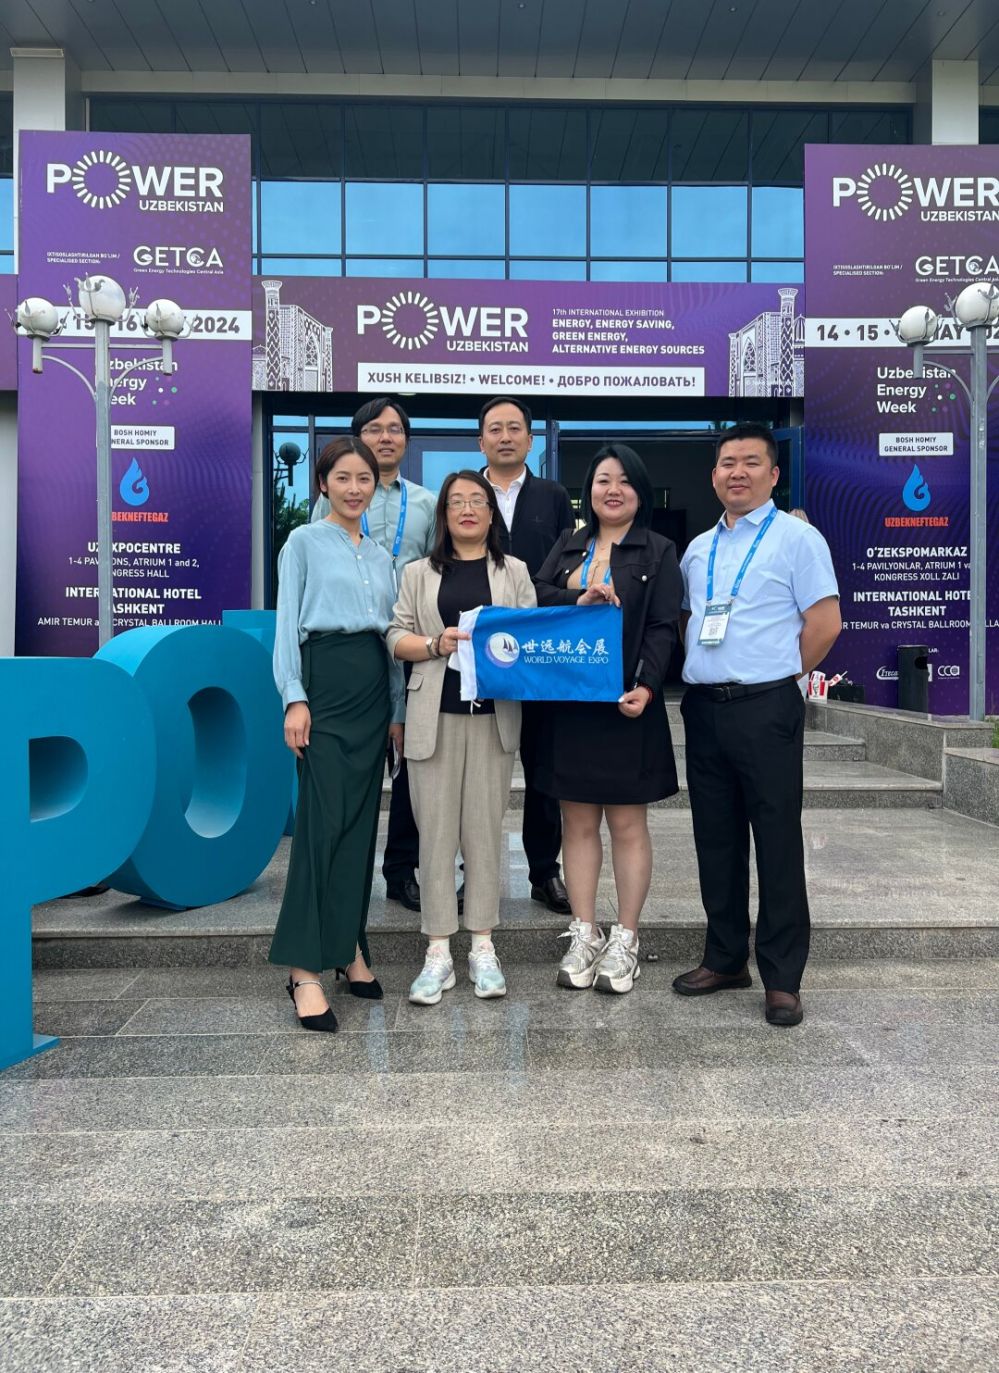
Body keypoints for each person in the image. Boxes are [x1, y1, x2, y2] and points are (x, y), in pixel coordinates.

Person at [673, 422, 841, 1027]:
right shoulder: (698, 548)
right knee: (715, 838)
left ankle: (782, 977)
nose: (736, 472)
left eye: (749, 462)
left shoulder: (798, 539)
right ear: (714, 475)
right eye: (727, 463)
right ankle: (725, 959)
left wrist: (777, 678)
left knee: (776, 839)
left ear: (773, 474)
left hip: (766, 707)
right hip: (704, 708)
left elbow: (825, 622)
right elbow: (690, 620)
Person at [534, 444, 682, 994]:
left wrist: (646, 685)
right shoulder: (568, 545)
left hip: (627, 704)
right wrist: (578, 596)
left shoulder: (658, 550)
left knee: (626, 824)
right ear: (588, 492)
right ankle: (584, 932)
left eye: (624, 481)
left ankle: (626, 938)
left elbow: (663, 626)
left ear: (639, 493)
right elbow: (536, 597)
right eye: (602, 480)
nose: (612, 490)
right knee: (575, 823)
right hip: (570, 707)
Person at [387, 470, 536, 1005]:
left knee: (483, 834)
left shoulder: (514, 571)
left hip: (493, 718)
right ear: (444, 515)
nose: (468, 509)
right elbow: (395, 635)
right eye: (457, 502)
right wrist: (435, 643)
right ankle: (437, 953)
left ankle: (482, 947)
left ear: (492, 514)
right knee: (434, 838)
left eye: (478, 501)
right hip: (434, 717)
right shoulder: (418, 573)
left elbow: (532, 639)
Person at [271, 436, 404, 1032]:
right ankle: (303, 968)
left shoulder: (380, 556)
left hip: (373, 693)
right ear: (323, 482)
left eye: (364, 479)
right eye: (343, 477)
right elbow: (286, 627)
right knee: (320, 829)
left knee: (358, 828)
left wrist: (397, 711)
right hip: (323, 688)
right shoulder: (302, 542)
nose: (354, 488)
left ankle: (348, 948)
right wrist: (294, 697)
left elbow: (390, 638)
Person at [313, 397, 436, 916]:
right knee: (352, 771)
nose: (386, 437)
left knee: (409, 766)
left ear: (407, 440)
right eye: (374, 429)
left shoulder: (428, 503)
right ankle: (341, 881)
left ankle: (401, 870)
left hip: (411, 644)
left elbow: (439, 568)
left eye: (395, 429)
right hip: (354, 651)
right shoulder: (329, 507)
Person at [478, 396, 575, 915]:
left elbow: (566, 565)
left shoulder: (553, 495)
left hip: (540, 652)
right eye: (495, 429)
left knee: (544, 768)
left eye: (514, 428)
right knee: (480, 769)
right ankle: (476, 872)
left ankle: (544, 872)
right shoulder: (467, 493)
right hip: (482, 651)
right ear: (481, 441)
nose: (505, 436)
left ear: (531, 440)